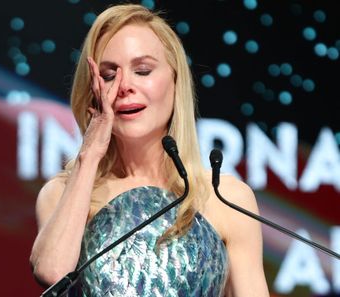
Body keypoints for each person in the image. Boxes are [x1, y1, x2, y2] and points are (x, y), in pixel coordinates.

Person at [30, 3, 269, 296]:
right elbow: (52, 272)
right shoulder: (62, 194)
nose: (124, 86)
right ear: (92, 89)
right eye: (107, 75)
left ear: (175, 80)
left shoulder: (226, 198)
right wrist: (89, 154)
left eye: (142, 70)